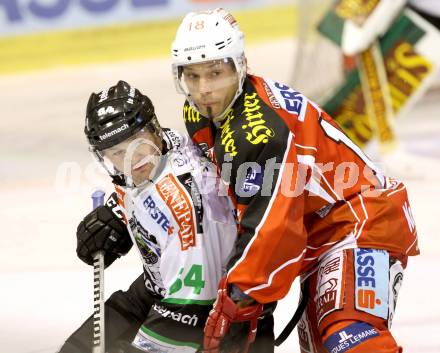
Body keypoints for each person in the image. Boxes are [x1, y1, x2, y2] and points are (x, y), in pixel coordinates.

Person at [171, 8, 420, 353]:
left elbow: (272, 227)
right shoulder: (201, 112)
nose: (204, 89)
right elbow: (214, 191)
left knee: (348, 334)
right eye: (193, 76)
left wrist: (242, 297)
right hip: (320, 229)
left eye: (215, 73)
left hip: (360, 219)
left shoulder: (258, 134)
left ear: (239, 64)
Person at [58, 80, 274, 353]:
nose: (130, 160)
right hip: (160, 290)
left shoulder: (184, 206)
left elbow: (193, 305)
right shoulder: (162, 149)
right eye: (116, 152)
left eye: (135, 144)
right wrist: (117, 212)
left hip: (216, 320)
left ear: (152, 130)